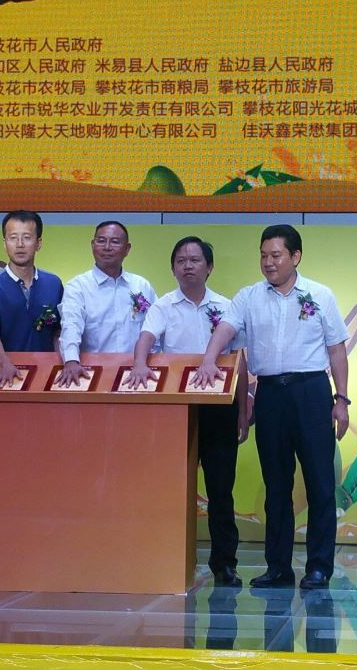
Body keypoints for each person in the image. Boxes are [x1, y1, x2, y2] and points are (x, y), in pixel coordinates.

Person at [197, 224, 349, 590]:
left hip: (311, 392)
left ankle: (319, 567)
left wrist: (341, 400)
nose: (268, 262)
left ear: (295, 256)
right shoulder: (249, 296)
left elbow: (336, 350)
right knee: (276, 485)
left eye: (276, 255)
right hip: (270, 395)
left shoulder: (320, 295)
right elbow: (225, 330)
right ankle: (278, 567)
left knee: (319, 484)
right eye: (263, 255)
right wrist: (208, 360)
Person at [129, 236, 247, 586]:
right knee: (170, 486)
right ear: (173, 268)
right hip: (176, 409)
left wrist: (243, 410)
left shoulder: (227, 307)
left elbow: (240, 360)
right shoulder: (163, 305)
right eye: (181, 260)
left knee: (220, 488)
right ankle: (166, 558)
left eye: (195, 260)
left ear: (209, 267)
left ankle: (224, 563)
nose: (188, 266)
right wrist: (139, 364)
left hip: (219, 408)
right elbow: (146, 339)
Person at [56, 220, 157, 387]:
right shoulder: (78, 286)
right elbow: (71, 325)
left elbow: (155, 328)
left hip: (136, 375)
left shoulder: (141, 285)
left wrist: (151, 361)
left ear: (127, 249)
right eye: (101, 241)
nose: (107, 247)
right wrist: (71, 361)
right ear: (92, 245)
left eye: (115, 242)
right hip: (91, 375)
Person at [0, 210, 64, 387]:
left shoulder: (54, 283)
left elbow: (58, 332)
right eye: (13, 238)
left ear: (38, 243)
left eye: (26, 237)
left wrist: (61, 365)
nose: (19, 244)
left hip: (47, 373)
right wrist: (4, 363)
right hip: (7, 374)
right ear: (4, 243)